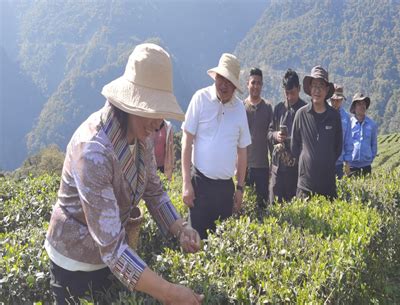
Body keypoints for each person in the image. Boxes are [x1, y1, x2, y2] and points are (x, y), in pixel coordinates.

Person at [44, 43, 204, 305]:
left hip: (111, 257)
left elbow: (153, 189)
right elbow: (113, 247)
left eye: (160, 113)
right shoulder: (93, 151)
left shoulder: (144, 134)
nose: (157, 122)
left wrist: (180, 228)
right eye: (150, 111)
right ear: (130, 104)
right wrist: (171, 293)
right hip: (74, 265)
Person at [181, 53, 251, 239]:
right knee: (195, 242)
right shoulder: (200, 98)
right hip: (200, 185)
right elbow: (186, 141)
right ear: (216, 77)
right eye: (222, 78)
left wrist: (240, 188)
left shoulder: (239, 110)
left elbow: (242, 151)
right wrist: (186, 183)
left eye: (229, 81)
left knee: (221, 245)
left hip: (225, 190)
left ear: (235, 85)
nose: (224, 84)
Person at [291, 66, 342, 199]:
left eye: (321, 86)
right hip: (305, 186)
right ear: (309, 89)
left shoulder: (334, 116)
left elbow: (338, 147)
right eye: (314, 86)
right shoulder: (301, 114)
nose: (317, 90)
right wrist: (306, 162)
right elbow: (294, 146)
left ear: (326, 90)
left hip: (328, 186)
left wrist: (326, 161)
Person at [268, 69, 306, 204]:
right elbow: (269, 133)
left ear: (299, 89)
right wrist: (276, 135)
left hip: (296, 171)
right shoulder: (278, 108)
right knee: (275, 208)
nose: (289, 97)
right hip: (278, 170)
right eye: (286, 93)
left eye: (292, 93)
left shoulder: (305, 110)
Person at [244, 68, 272, 208]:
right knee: (244, 206)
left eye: (259, 83)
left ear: (262, 85)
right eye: (253, 82)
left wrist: (273, 166)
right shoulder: (241, 108)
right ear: (247, 84)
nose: (255, 86)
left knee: (262, 207)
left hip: (262, 166)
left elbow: (271, 137)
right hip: (244, 166)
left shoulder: (267, 108)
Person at [348, 93, 378, 176]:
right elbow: (344, 143)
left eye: (364, 104)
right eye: (359, 104)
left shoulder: (372, 124)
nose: (362, 106)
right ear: (354, 107)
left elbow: (374, 144)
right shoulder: (348, 124)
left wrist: (370, 158)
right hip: (351, 166)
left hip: (366, 166)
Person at [329, 84, 353, 179]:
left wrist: (347, 161)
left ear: (342, 100)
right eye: (333, 100)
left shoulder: (346, 117)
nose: (335, 102)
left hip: (339, 163)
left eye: (338, 100)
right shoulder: (323, 113)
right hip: (324, 162)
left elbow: (348, 140)